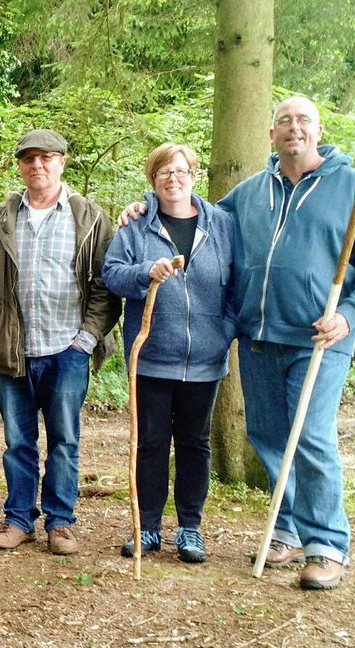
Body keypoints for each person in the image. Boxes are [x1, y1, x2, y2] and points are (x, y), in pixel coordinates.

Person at [118, 96, 355, 589]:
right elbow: (190, 215)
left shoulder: (353, 188)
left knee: (309, 435)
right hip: (259, 337)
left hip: (320, 337)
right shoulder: (248, 194)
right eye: (284, 121)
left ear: (318, 129)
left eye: (303, 120)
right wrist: (141, 205)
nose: (294, 128)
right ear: (271, 133)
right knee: (267, 436)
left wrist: (350, 315)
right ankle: (285, 528)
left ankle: (326, 544)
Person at [0, 129, 120, 555]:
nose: (37, 166)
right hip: (15, 347)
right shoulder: (1, 214)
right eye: (29, 159)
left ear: (62, 162)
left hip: (69, 348)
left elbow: (107, 282)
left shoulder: (90, 216)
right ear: (20, 166)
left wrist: (86, 338)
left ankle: (60, 523)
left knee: (64, 439)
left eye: (46, 158)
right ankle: (19, 519)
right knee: (18, 441)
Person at [102, 143, 239, 564]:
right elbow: (111, 275)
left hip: (204, 361)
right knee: (151, 443)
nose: (173, 179)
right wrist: (146, 272)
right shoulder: (136, 227)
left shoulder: (222, 225)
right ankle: (146, 529)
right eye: (164, 173)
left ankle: (190, 530)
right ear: (153, 180)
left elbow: (239, 283)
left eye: (180, 171)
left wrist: (224, 331)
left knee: (195, 445)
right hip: (152, 357)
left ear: (193, 175)